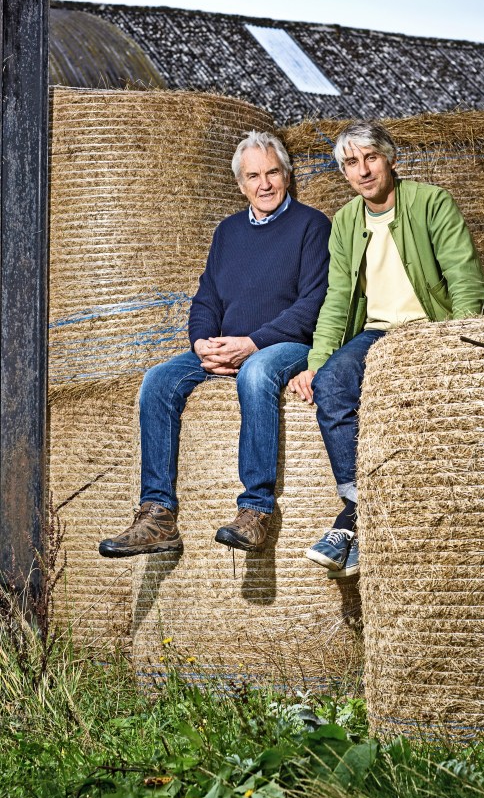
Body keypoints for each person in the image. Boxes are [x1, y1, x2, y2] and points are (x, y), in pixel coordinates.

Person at [99, 131, 331, 558]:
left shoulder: (312, 226)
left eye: (273, 173)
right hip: (227, 344)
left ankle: (256, 511)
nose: (264, 184)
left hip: (286, 344)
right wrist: (203, 343)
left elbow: (314, 303)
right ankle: (158, 515)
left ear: (287, 175)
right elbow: (206, 298)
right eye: (253, 176)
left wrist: (251, 343)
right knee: (158, 381)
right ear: (240, 184)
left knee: (257, 372)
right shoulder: (227, 232)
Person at [288, 121, 484, 579]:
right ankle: (357, 508)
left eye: (370, 158)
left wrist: (461, 342)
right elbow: (337, 299)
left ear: (390, 158)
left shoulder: (430, 202)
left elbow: (463, 276)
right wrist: (317, 364)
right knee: (334, 383)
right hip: (377, 332)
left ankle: (349, 526)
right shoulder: (344, 222)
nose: (362, 171)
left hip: (429, 328)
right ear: (343, 173)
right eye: (351, 164)